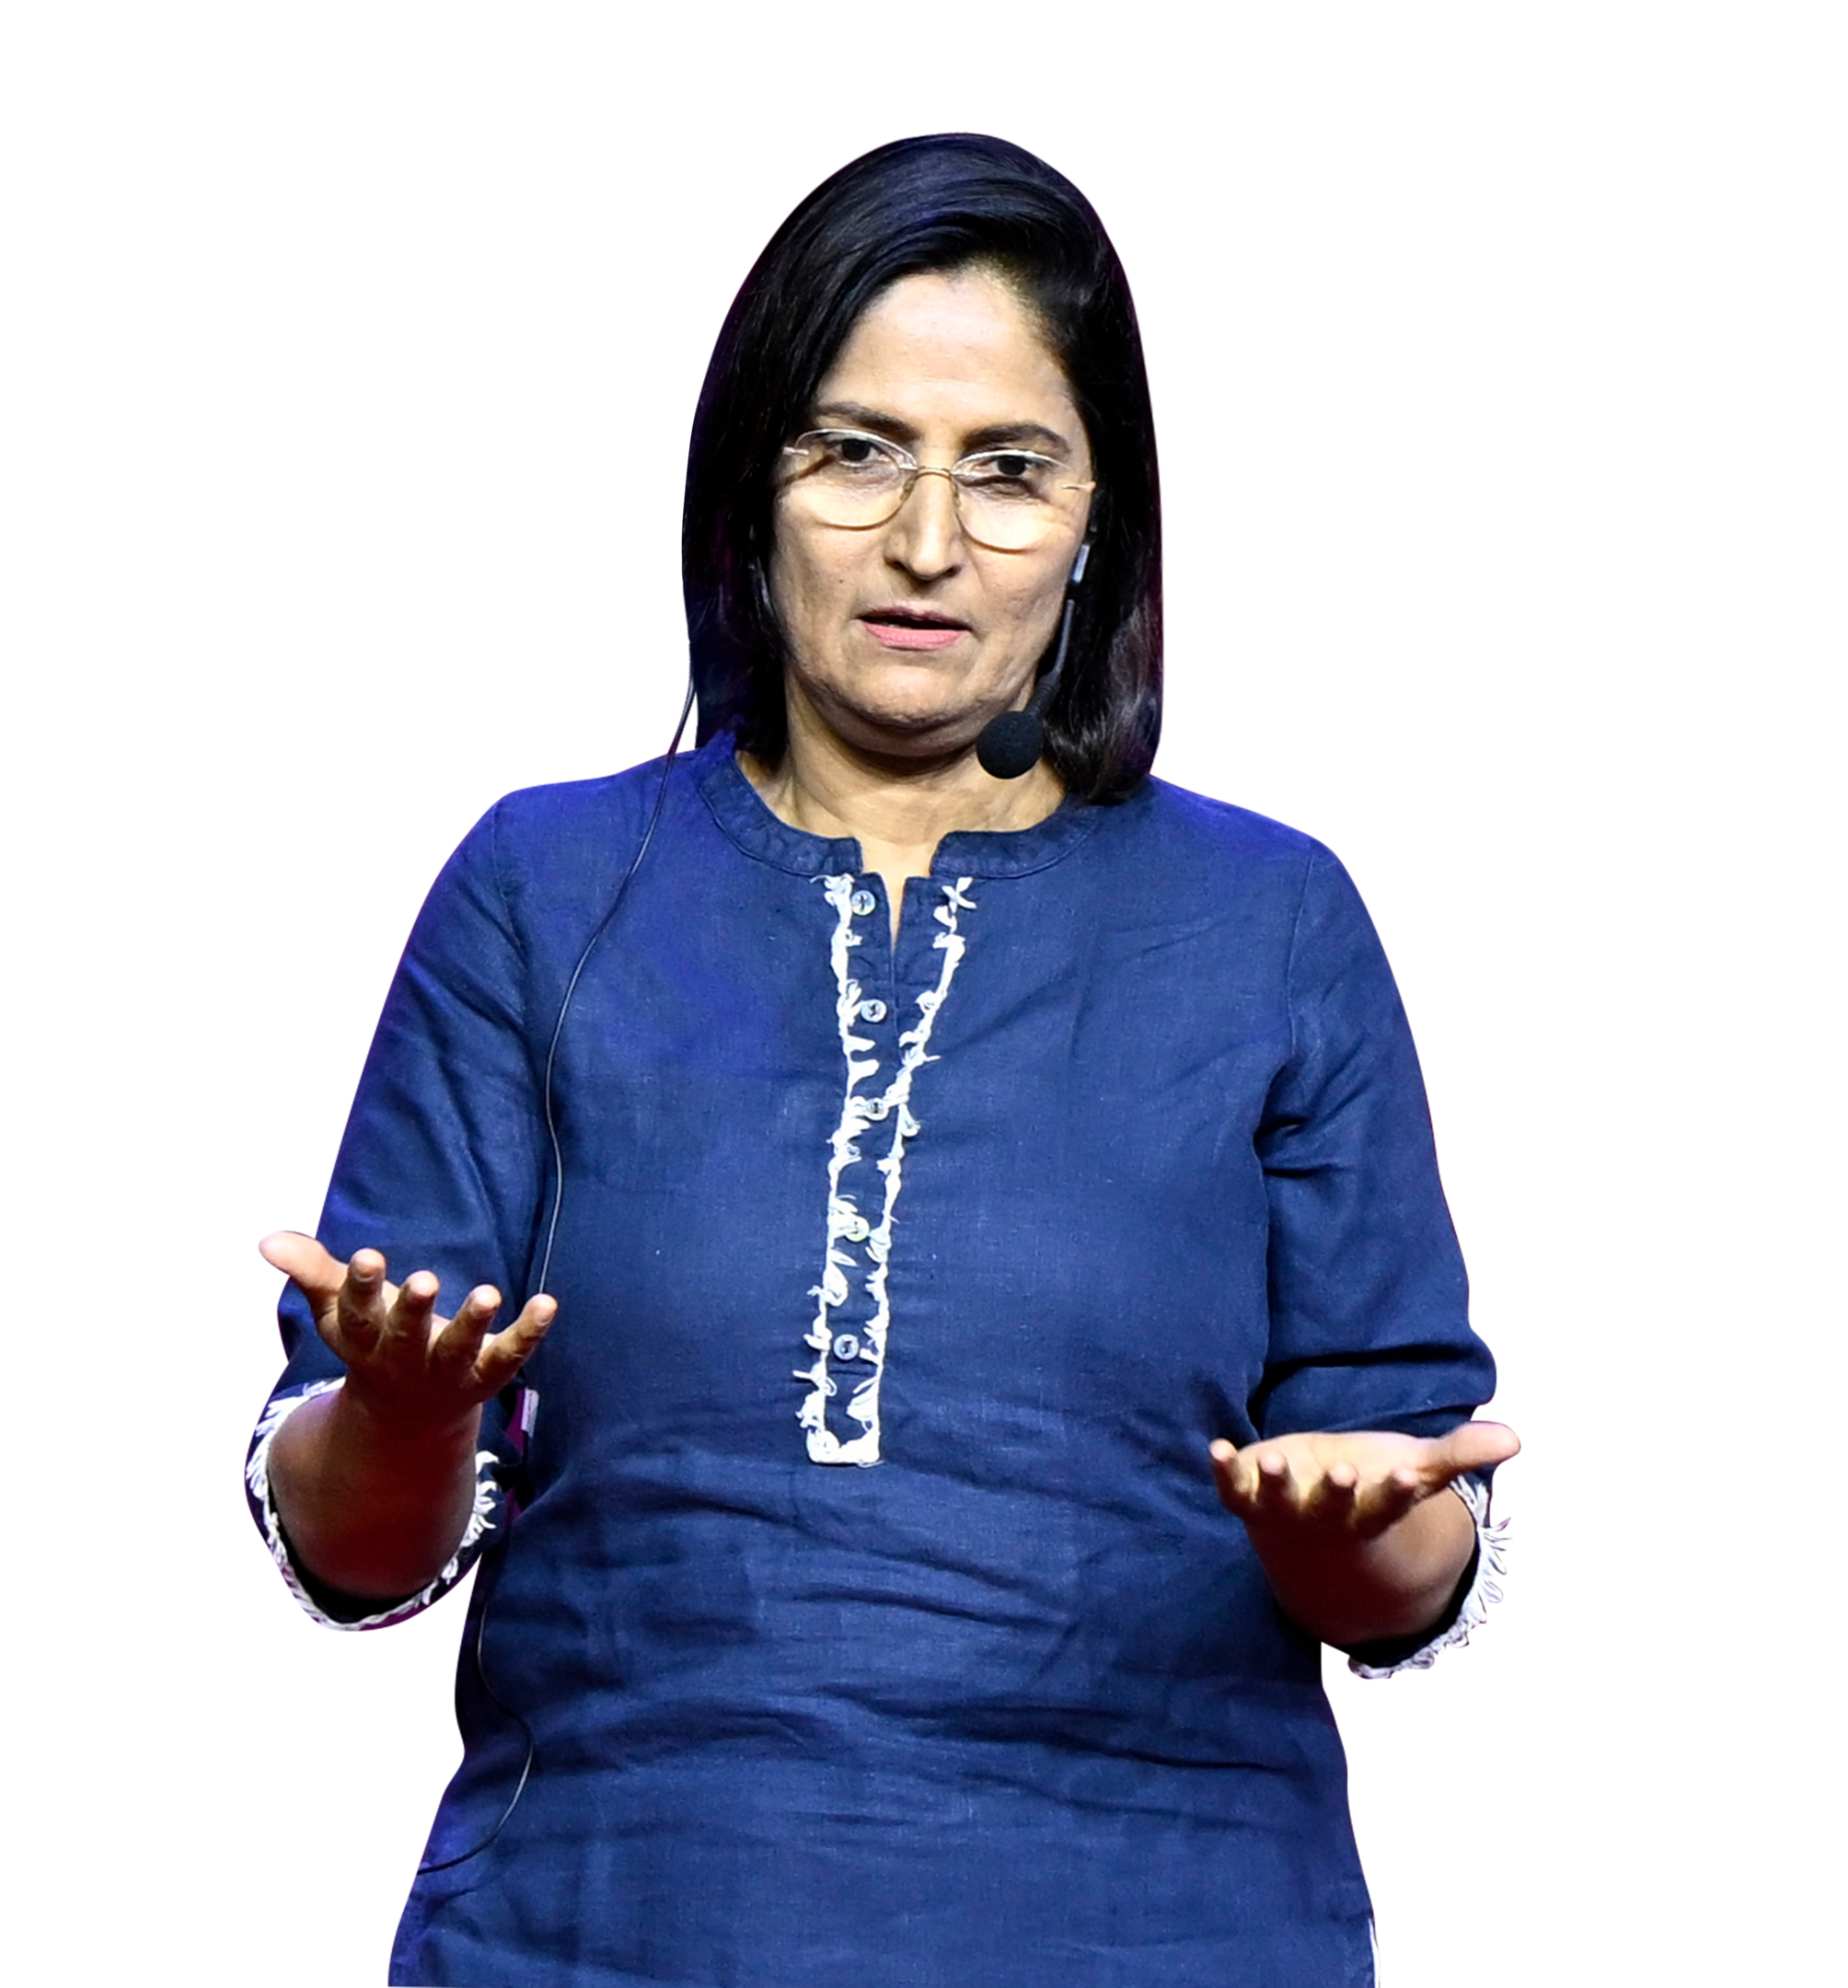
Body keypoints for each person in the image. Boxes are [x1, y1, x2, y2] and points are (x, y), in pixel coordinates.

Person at [248, 133, 1517, 1987]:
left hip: (1167, 1924)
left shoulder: (1270, 919)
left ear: (1098, 529)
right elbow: (356, 1554)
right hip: (609, 1920)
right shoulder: (545, 885)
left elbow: (1409, 1528)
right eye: (853, 453)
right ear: (749, 491)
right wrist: (407, 1418)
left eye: (1007, 474)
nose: (926, 542)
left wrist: (1349, 1539)